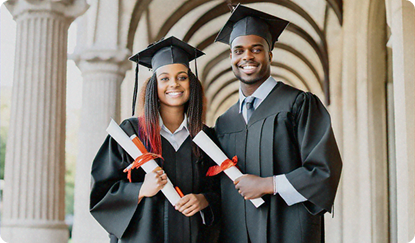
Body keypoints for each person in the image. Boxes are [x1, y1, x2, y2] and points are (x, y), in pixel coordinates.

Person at [213, 4, 342, 243]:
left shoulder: (299, 105)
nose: (247, 57)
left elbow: (324, 171)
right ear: (231, 57)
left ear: (269, 55)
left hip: (290, 232)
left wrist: (269, 184)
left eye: (256, 49)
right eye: (239, 50)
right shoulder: (224, 123)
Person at [90, 36, 220, 243]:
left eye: (182, 77)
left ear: (191, 83)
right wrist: (140, 190)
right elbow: (102, 191)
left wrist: (205, 200)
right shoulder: (130, 133)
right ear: (154, 86)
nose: (174, 84)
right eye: (165, 78)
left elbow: (222, 189)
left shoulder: (206, 137)